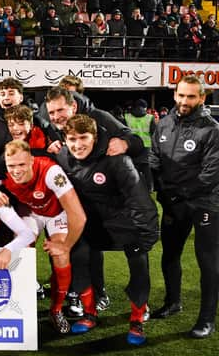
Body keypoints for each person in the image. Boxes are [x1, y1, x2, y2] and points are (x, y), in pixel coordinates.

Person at [56, 114, 158, 344]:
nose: (77, 144)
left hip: (124, 222)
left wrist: (147, 233)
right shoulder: (62, 157)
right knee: (79, 259)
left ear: (95, 137)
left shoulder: (117, 160)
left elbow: (138, 197)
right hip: (90, 224)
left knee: (139, 263)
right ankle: (90, 313)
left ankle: (137, 319)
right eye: (72, 139)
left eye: (83, 137)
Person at [0, 140, 87, 334]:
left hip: (56, 213)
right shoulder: (0, 173)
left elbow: (78, 215)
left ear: (32, 160)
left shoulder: (52, 172)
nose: (16, 171)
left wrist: (66, 246)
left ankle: (56, 309)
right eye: (12, 166)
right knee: (21, 249)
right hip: (30, 211)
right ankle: (20, 306)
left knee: (60, 255)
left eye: (21, 165)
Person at [149, 75, 219, 339]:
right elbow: (155, 157)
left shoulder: (212, 130)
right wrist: (159, 186)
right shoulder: (164, 123)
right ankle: (173, 302)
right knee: (170, 254)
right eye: (181, 95)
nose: (184, 101)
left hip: (204, 202)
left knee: (208, 261)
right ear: (175, 94)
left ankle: (206, 319)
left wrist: (179, 194)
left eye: (191, 96)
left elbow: (211, 174)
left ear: (202, 98)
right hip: (172, 201)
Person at [124, 99, 156, 190]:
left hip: (132, 146)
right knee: (147, 169)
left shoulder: (127, 117)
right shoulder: (150, 117)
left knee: (132, 167)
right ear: (145, 107)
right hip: (146, 146)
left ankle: (134, 187)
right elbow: (154, 134)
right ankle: (150, 188)